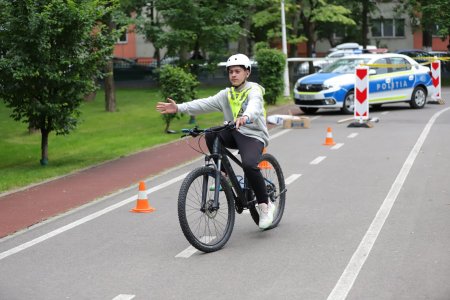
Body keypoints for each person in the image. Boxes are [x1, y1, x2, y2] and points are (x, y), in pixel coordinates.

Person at [156, 53, 274, 229]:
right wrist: (178, 107)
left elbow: (255, 106)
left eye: (237, 71)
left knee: (249, 165)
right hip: (233, 132)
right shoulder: (226, 94)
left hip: (253, 135)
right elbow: (204, 103)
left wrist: (246, 116)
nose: (233, 75)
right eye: (230, 72)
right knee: (211, 133)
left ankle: (265, 205)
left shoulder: (253, 90)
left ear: (247, 73)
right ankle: (223, 175)